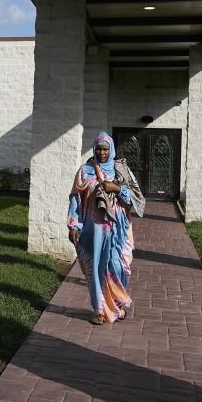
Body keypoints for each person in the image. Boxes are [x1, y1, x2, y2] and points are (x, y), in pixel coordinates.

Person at [67, 131, 141, 325]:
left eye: (105, 149)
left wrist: (117, 188)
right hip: (94, 230)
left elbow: (136, 200)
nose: (101, 153)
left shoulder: (121, 171)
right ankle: (99, 310)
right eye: (98, 149)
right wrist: (74, 225)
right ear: (94, 149)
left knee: (117, 266)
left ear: (111, 150)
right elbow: (76, 199)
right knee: (96, 268)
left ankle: (117, 304)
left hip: (118, 230)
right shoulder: (85, 170)